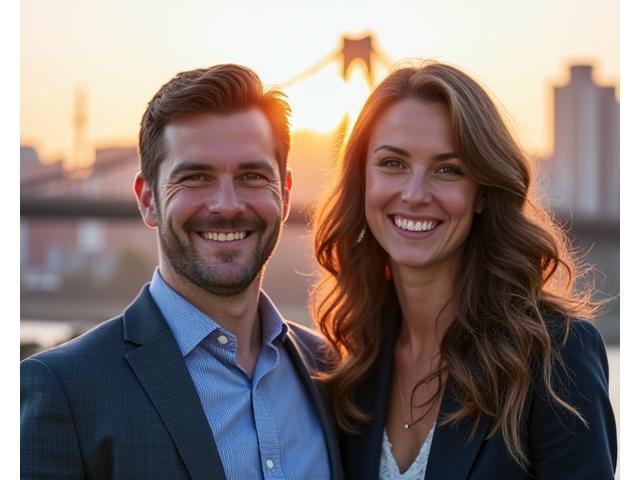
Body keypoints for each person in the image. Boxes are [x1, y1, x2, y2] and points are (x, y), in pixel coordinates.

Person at [21, 64, 343, 479]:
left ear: (284, 193)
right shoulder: (64, 390)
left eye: (251, 175)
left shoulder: (333, 371)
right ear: (148, 200)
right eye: (195, 177)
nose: (226, 205)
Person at [312, 61, 616, 479]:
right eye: (392, 163)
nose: (414, 194)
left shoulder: (556, 360)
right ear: (362, 180)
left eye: (448, 169)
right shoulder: (349, 366)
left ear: (482, 194)